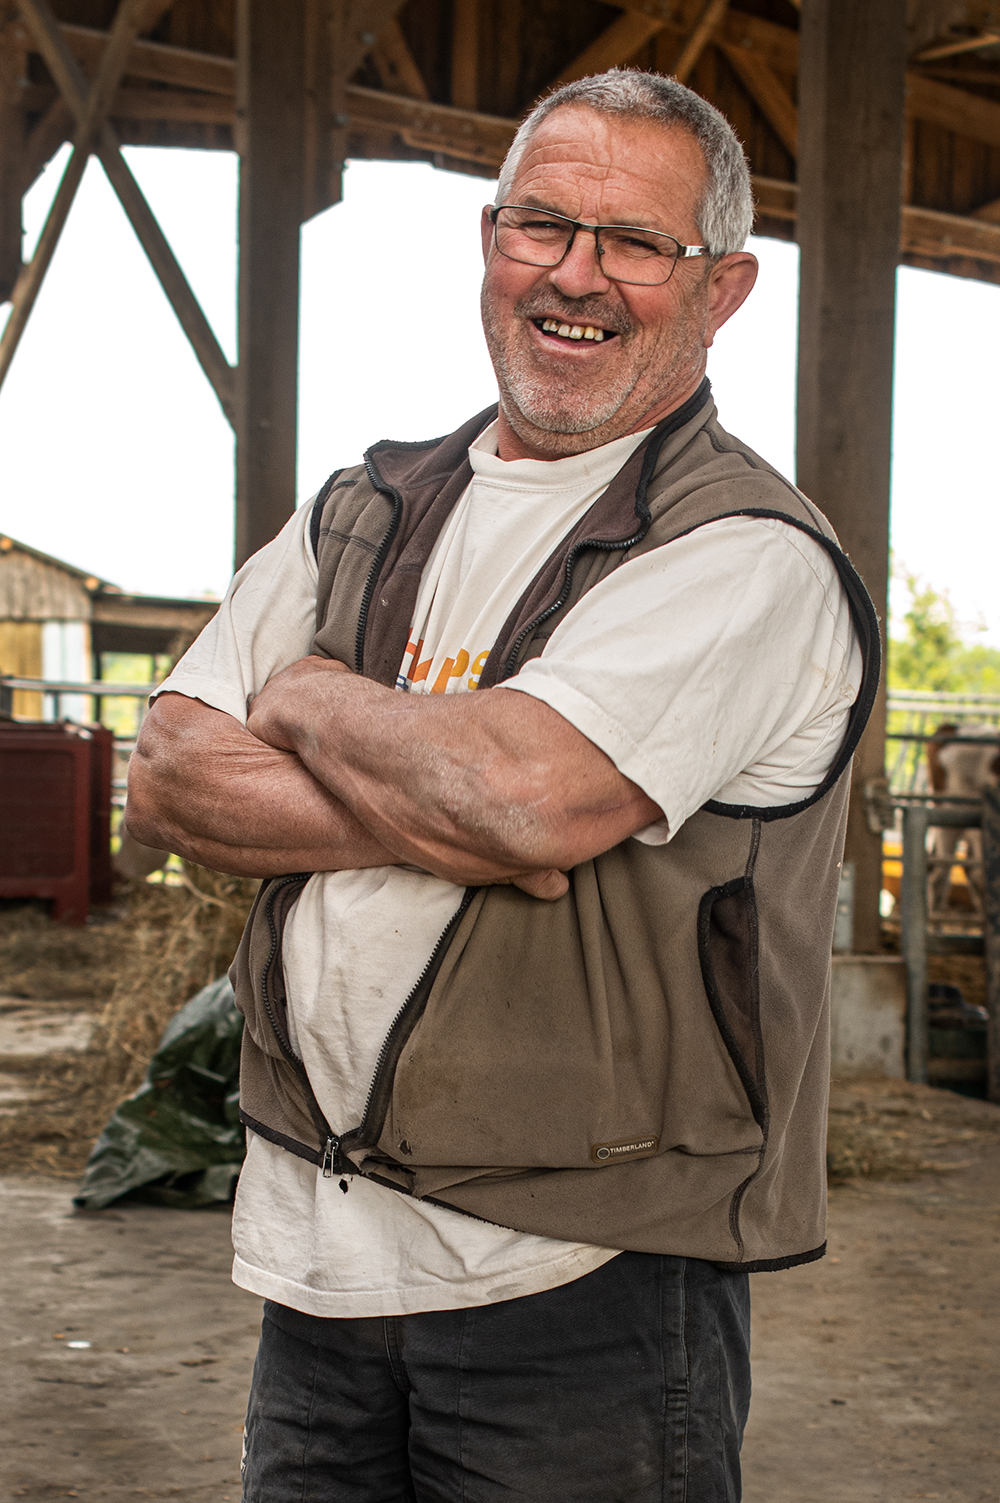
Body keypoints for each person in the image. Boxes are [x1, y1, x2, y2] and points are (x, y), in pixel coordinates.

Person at [127, 69, 878, 1503]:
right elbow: (167, 779)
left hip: (579, 1285)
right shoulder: (368, 504)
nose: (576, 275)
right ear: (490, 240)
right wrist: (457, 806)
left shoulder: (746, 553)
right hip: (316, 1268)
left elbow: (529, 799)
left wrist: (306, 702)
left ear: (722, 290)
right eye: (542, 224)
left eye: (635, 243)